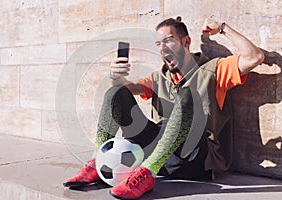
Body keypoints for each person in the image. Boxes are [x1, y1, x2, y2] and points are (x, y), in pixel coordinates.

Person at [63, 16, 264, 199]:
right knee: (115, 92)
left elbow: (255, 57)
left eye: (168, 41)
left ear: (186, 42)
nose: (162, 48)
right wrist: (116, 77)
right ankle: (97, 163)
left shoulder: (214, 70)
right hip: (162, 158)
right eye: (158, 44)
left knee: (187, 96)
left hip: (196, 161)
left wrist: (222, 28)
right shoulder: (158, 79)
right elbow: (126, 90)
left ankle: (147, 173)